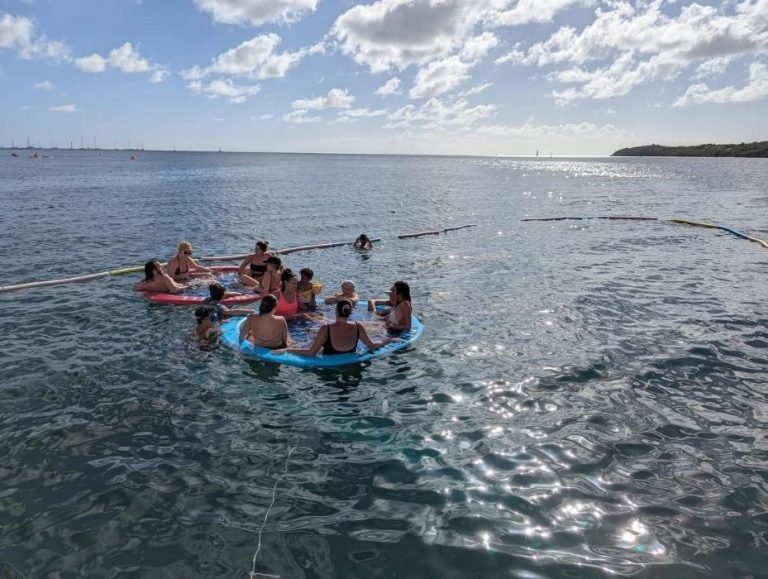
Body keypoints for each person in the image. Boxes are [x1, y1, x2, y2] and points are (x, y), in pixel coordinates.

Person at [287, 299, 393, 357]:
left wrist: (288, 350)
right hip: (350, 364)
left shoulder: (326, 328)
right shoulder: (358, 326)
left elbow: (311, 352)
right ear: (350, 313)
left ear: (336, 311)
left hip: (328, 371)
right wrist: (387, 340)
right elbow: (372, 345)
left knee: (311, 338)